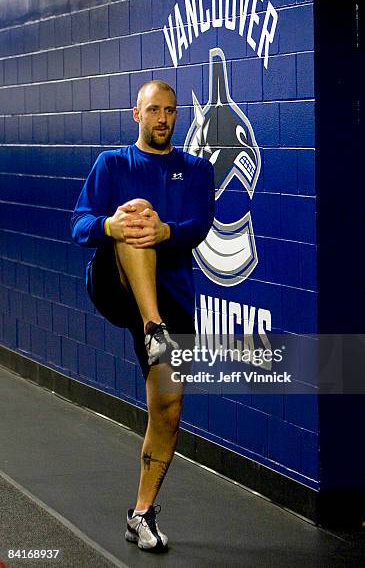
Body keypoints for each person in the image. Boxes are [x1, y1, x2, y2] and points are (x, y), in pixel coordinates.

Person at [70, 80, 215, 552]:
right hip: (114, 285)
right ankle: (153, 328)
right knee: (136, 213)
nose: (163, 119)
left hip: (172, 297)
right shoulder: (112, 163)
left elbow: (198, 225)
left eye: (171, 111)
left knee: (168, 410)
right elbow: (78, 223)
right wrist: (112, 224)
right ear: (137, 114)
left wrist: (165, 230)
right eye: (154, 110)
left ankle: (141, 514)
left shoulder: (195, 170)